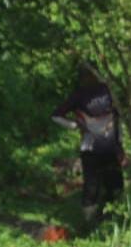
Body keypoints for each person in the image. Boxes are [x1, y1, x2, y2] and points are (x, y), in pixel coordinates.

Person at [52, 65, 124, 223]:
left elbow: (118, 116)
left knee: (116, 184)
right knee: (91, 187)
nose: (88, 77)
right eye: (85, 74)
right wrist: (75, 125)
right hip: (90, 148)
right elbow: (56, 116)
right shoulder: (78, 95)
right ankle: (89, 224)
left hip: (111, 146)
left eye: (91, 73)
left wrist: (120, 143)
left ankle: (115, 221)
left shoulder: (108, 90)